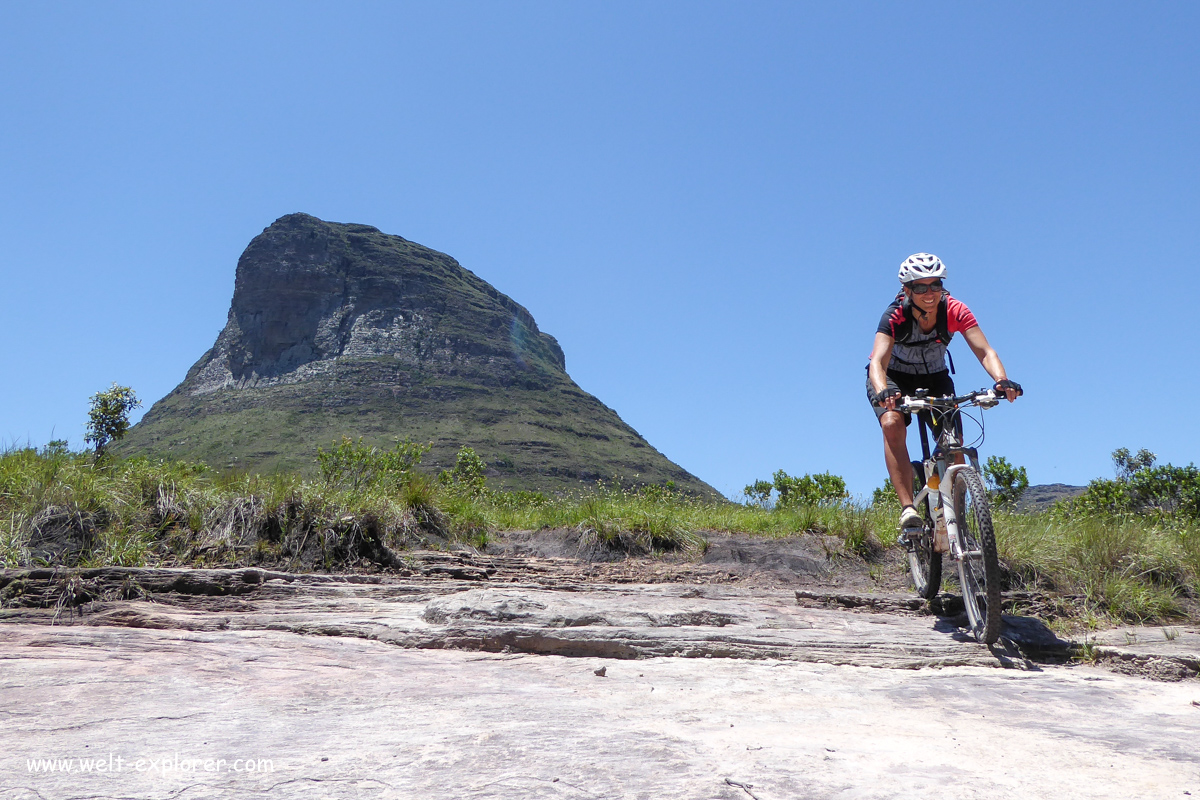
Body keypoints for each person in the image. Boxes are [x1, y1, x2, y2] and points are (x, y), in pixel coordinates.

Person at [866, 253, 1021, 531]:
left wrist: (1002, 380)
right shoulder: (895, 315)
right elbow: (877, 362)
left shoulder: (954, 310)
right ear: (907, 290)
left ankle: (956, 522)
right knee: (891, 423)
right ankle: (908, 510)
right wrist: (883, 391)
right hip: (894, 379)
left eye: (935, 285)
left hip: (935, 378)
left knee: (955, 446)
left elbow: (985, 351)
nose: (929, 293)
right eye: (920, 287)